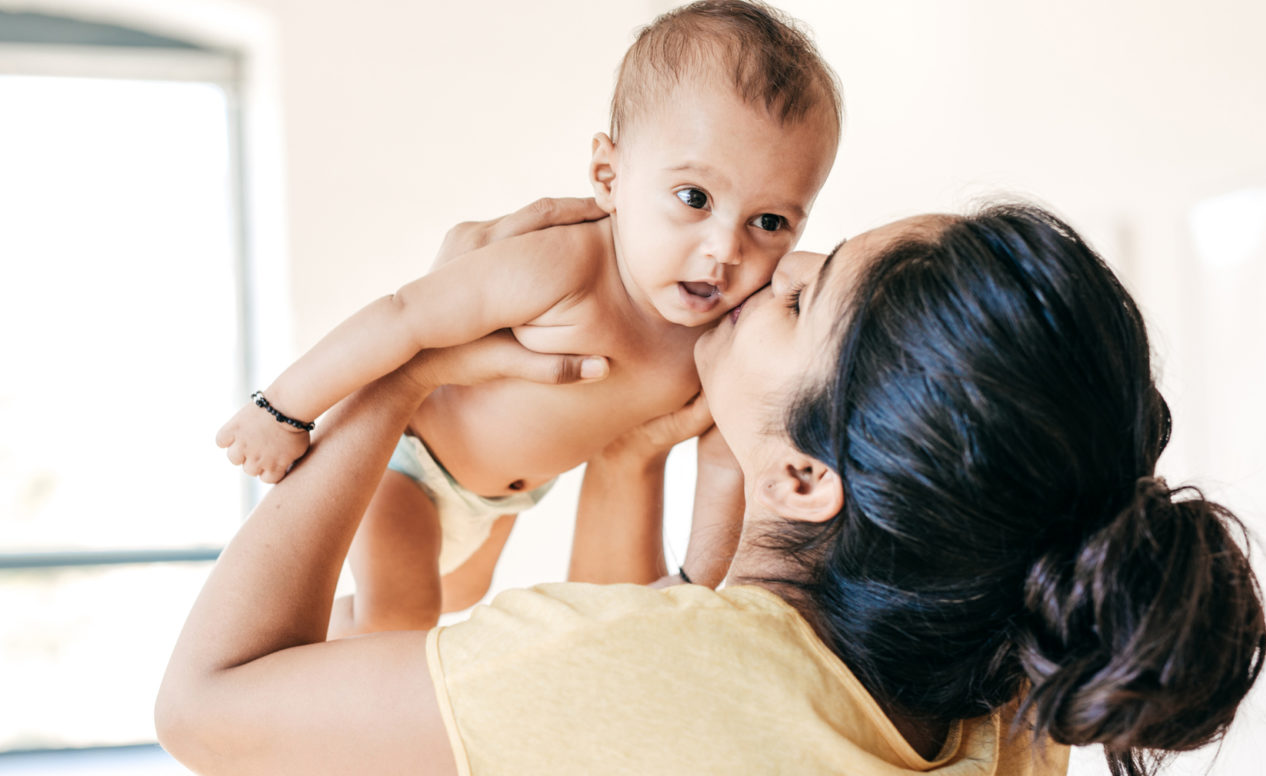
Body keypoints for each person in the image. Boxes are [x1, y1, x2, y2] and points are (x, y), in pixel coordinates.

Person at [158, 199, 1266, 775]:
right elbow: (716, 669)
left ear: (806, 472)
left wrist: (397, 376)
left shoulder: (629, 671)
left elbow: (207, 709)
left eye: (804, 293)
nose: (765, 268)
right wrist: (642, 454)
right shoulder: (1010, 694)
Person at [213, 0, 842, 634]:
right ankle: (330, 698)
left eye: (770, 222)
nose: (726, 250)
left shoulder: (720, 336)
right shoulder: (563, 265)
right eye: (694, 198)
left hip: (504, 497)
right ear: (608, 176)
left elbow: (726, 458)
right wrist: (281, 409)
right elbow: (403, 316)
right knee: (401, 625)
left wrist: (700, 589)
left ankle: (335, 641)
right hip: (407, 469)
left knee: (458, 596)